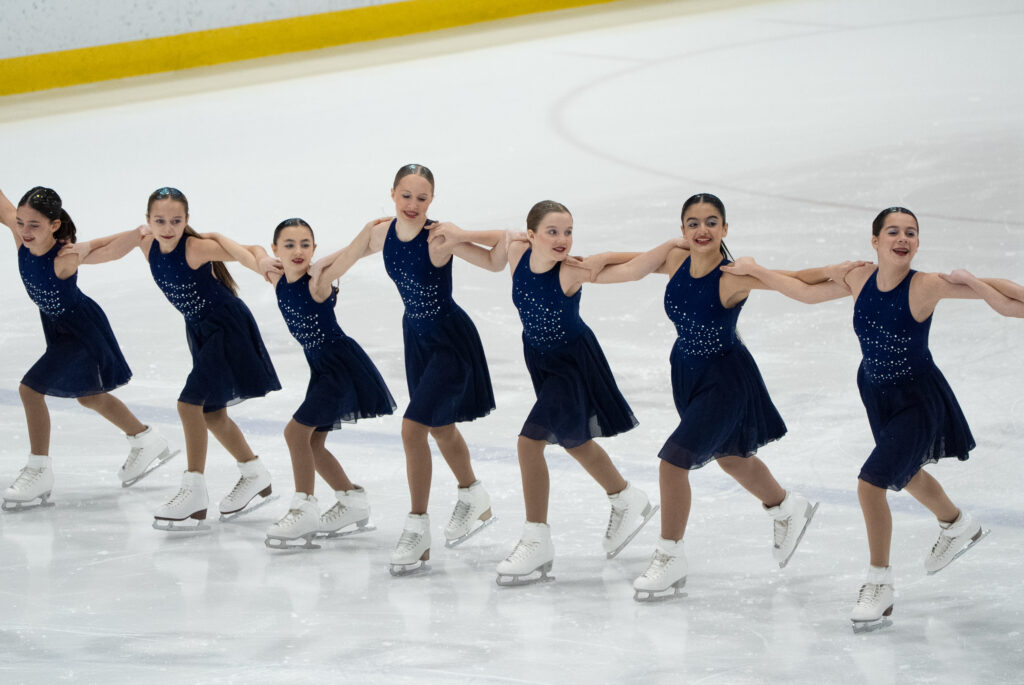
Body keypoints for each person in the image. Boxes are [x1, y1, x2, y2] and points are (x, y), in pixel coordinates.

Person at [723, 206, 1021, 631]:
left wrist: (973, 282)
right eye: (894, 232)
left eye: (911, 233)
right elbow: (804, 290)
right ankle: (958, 525)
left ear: (918, 243)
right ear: (876, 241)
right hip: (876, 392)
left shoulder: (927, 285)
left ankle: (879, 584)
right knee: (907, 473)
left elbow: (1005, 297)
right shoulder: (857, 278)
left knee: (871, 483)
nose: (903, 239)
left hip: (918, 399)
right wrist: (758, 270)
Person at [629, 193, 837, 601]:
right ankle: (785, 507)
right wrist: (579, 263)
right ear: (683, 230)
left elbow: (796, 278)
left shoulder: (733, 277)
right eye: (692, 223)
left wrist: (837, 273)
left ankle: (670, 556)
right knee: (731, 457)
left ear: (725, 229)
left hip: (725, 381)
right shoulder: (675, 261)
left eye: (711, 222)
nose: (702, 230)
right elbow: (627, 262)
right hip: (687, 374)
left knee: (674, 461)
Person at [466, 200, 683, 586]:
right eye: (552, 231)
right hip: (541, 361)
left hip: (572, 364)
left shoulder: (570, 272)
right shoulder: (517, 253)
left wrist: (669, 247)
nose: (563, 239)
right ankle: (625, 497)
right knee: (574, 440)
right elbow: (504, 235)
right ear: (531, 235)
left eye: (568, 232)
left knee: (528, 443)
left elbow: (632, 271)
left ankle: (537, 539)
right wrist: (463, 236)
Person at [67, 187, 281, 530]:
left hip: (227, 329)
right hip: (201, 331)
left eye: (176, 221)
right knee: (212, 413)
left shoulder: (195, 248)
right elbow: (104, 250)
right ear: (148, 221)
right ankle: (255, 473)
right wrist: (76, 252)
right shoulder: (147, 241)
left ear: (187, 221)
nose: (168, 228)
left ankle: (194, 489)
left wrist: (262, 263)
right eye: (160, 220)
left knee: (189, 404)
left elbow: (244, 251)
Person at [348, 164, 507, 575]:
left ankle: (417, 528)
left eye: (422, 198)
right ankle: (473, 495)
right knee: (439, 427)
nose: (413, 204)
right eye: (406, 196)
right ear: (393, 194)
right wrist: (311, 271)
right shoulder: (381, 232)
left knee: (413, 427)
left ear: (432, 200)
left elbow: (493, 262)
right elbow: (346, 257)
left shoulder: (438, 237)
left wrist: (476, 233)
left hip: (450, 342)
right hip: (416, 339)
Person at [205, 217, 396, 548]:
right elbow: (248, 255)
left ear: (314, 249)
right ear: (277, 248)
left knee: (295, 433)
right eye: (289, 245)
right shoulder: (276, 277)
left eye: (305, 244)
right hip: (321, 368)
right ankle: (351, 500)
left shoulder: (317, 282)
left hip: (340, 366)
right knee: (313, 443)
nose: (298, 251)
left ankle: (304, 505)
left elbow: (351, 254)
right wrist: (219, 237)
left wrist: (366, 230)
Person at [0, 187, 172, 510]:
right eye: (21, 223)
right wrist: (18, 220)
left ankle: (39, 471)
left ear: (53, 225)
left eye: (34, 225)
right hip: (58, 327)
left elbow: (106, 248)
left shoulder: (65, 258)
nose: (24, 231)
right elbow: (4, 206)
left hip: (80, 332)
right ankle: (146, 439)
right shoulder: (20, 233)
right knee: (90, 395)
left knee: (29, 390)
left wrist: (139, 234)